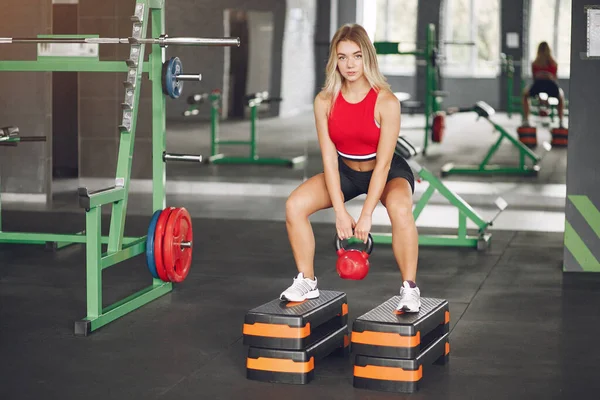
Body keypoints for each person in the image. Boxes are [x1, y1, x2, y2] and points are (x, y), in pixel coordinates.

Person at [279, 24, 421, 313]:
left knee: (400, 210)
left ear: (367, 57)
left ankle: (410, 288)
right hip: (345, 171)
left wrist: (366, 215)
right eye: (342, 57)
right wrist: (340, 212)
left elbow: (382, 165)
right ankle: (307, 280)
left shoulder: (386, 102)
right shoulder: (325, 101)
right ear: (335, 60)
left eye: (356, 56)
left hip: (387, 171)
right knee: (295, 205)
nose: (350, 64)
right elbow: (329, 160)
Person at [522, 41, 566, 127]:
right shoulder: (554, 64)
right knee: (561, 97)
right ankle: (561, 121)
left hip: (538, 86)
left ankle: (526, 120)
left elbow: (534, 79)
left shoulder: (535, 63)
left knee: (525, 95)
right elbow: (555, 79)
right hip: (551, 86)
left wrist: (539, 95)